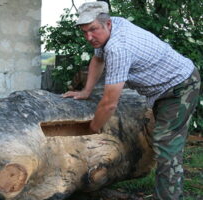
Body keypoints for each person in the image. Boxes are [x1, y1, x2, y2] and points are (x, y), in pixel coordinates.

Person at [62, 1, 201, 199]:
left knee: (166, 145)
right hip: (161, 89)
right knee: (161, 139)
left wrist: (92, 129)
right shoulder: (110, 28)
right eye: (84, 32)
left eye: (92, 30)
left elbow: (109, 103)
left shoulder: (119, 47)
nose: (89, 37)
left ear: (107, 24)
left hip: (180, 86)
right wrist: (86, 91)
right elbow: (98, 59)